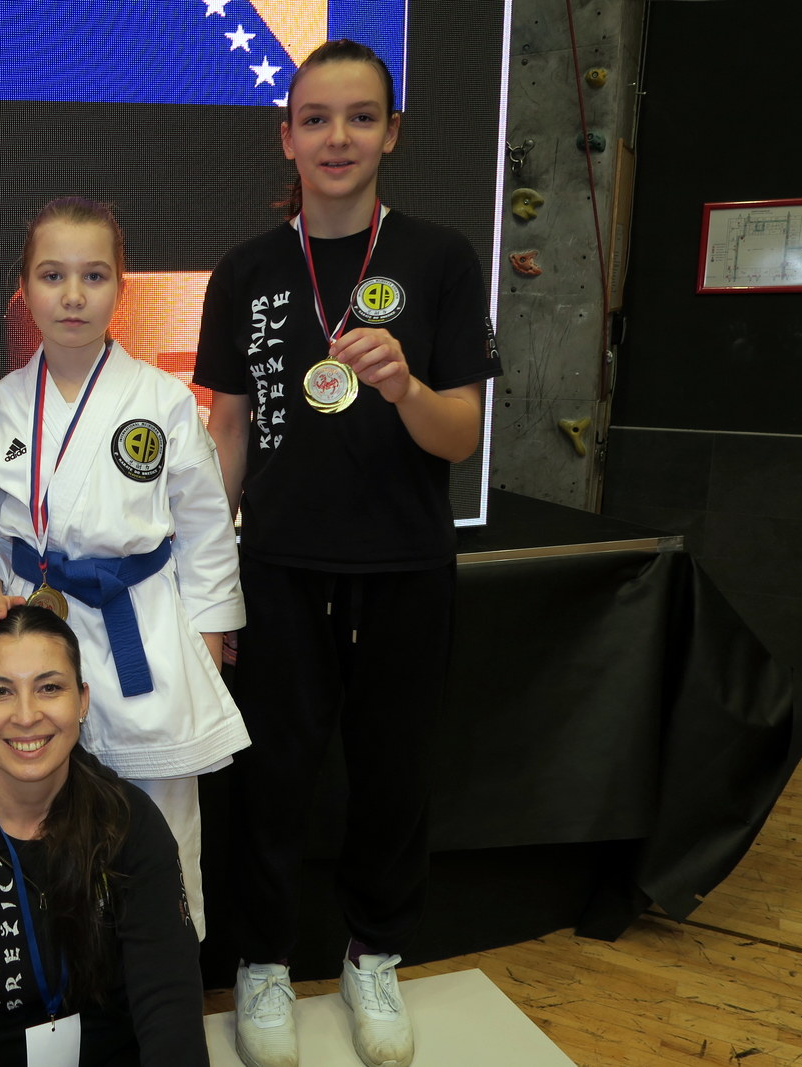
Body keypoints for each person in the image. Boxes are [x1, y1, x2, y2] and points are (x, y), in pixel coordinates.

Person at [194, 40, 502, 1067]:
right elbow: (228, 431)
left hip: (405, 565)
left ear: (392, 133)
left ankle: (374, 952)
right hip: (278, 566)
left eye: (361, 117)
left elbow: (459, 435)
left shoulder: (440, 257)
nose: (338, 137)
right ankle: (263, 962)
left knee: (392, 775)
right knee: (270, 778)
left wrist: (406, 386)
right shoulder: (246, 269)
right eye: (316, 118)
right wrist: (209, 583)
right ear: (285, 136)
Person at [0, 197, 247, 940]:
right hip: (35, 630)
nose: (73, 295)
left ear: (121, 285)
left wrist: (206, 647)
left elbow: (208, 531)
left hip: (143, 629)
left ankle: (165, 980)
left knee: (159, 828)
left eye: (94, 276)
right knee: (44, 824)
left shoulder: (162, 399)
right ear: (24, 286)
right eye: (53, 275)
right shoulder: (0, 403)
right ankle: (60, 982)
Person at [0, 604, 209, 1065]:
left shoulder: (131, 823)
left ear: (82, 701)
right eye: (1, 691)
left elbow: (169, 1011)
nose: (26, 715)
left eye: (49, 688)